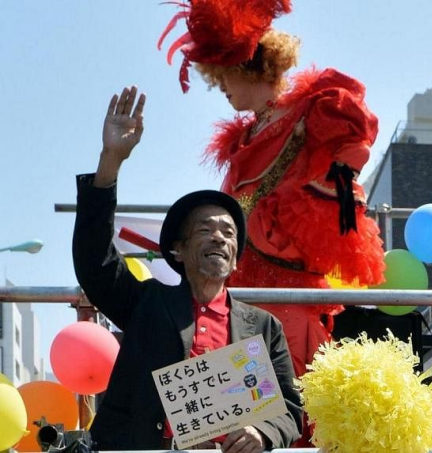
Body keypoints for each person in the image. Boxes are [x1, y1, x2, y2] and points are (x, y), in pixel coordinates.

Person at [158, 0, 386, 382]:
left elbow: (352, 149)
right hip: (236, 299)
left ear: (246, 66)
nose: (222, 88)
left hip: (288, 300)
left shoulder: (312, 113)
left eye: (224, 76)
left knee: (284, 413)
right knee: (236, 417)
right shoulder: (243, 140)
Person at [72, 86, 302, 452]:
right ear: (177, 250)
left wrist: (263, 432)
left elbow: (289, 410)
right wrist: (110, 162)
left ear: (237, 258)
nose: (218, 238)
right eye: (204, 230)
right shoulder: (146, 304)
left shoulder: (263, 327)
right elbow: (94, 262)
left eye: (228, 233)